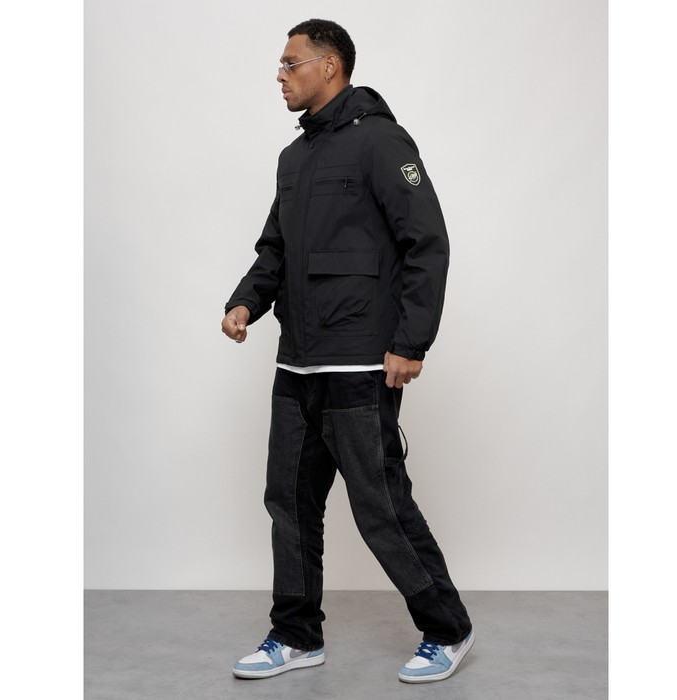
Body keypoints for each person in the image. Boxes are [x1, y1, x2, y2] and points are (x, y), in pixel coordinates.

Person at [223, 19, 474, 684]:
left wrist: (410, 342)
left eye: (291, 64)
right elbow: (275, 248)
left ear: (329, 66)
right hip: (297, 362)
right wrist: (246, 302)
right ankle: (296, 635)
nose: (280, 76)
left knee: (380, 505)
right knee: (288, 503)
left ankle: (448, 629)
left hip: (361, 364)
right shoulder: (294, 158)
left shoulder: (381, 141)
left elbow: (427, 242)